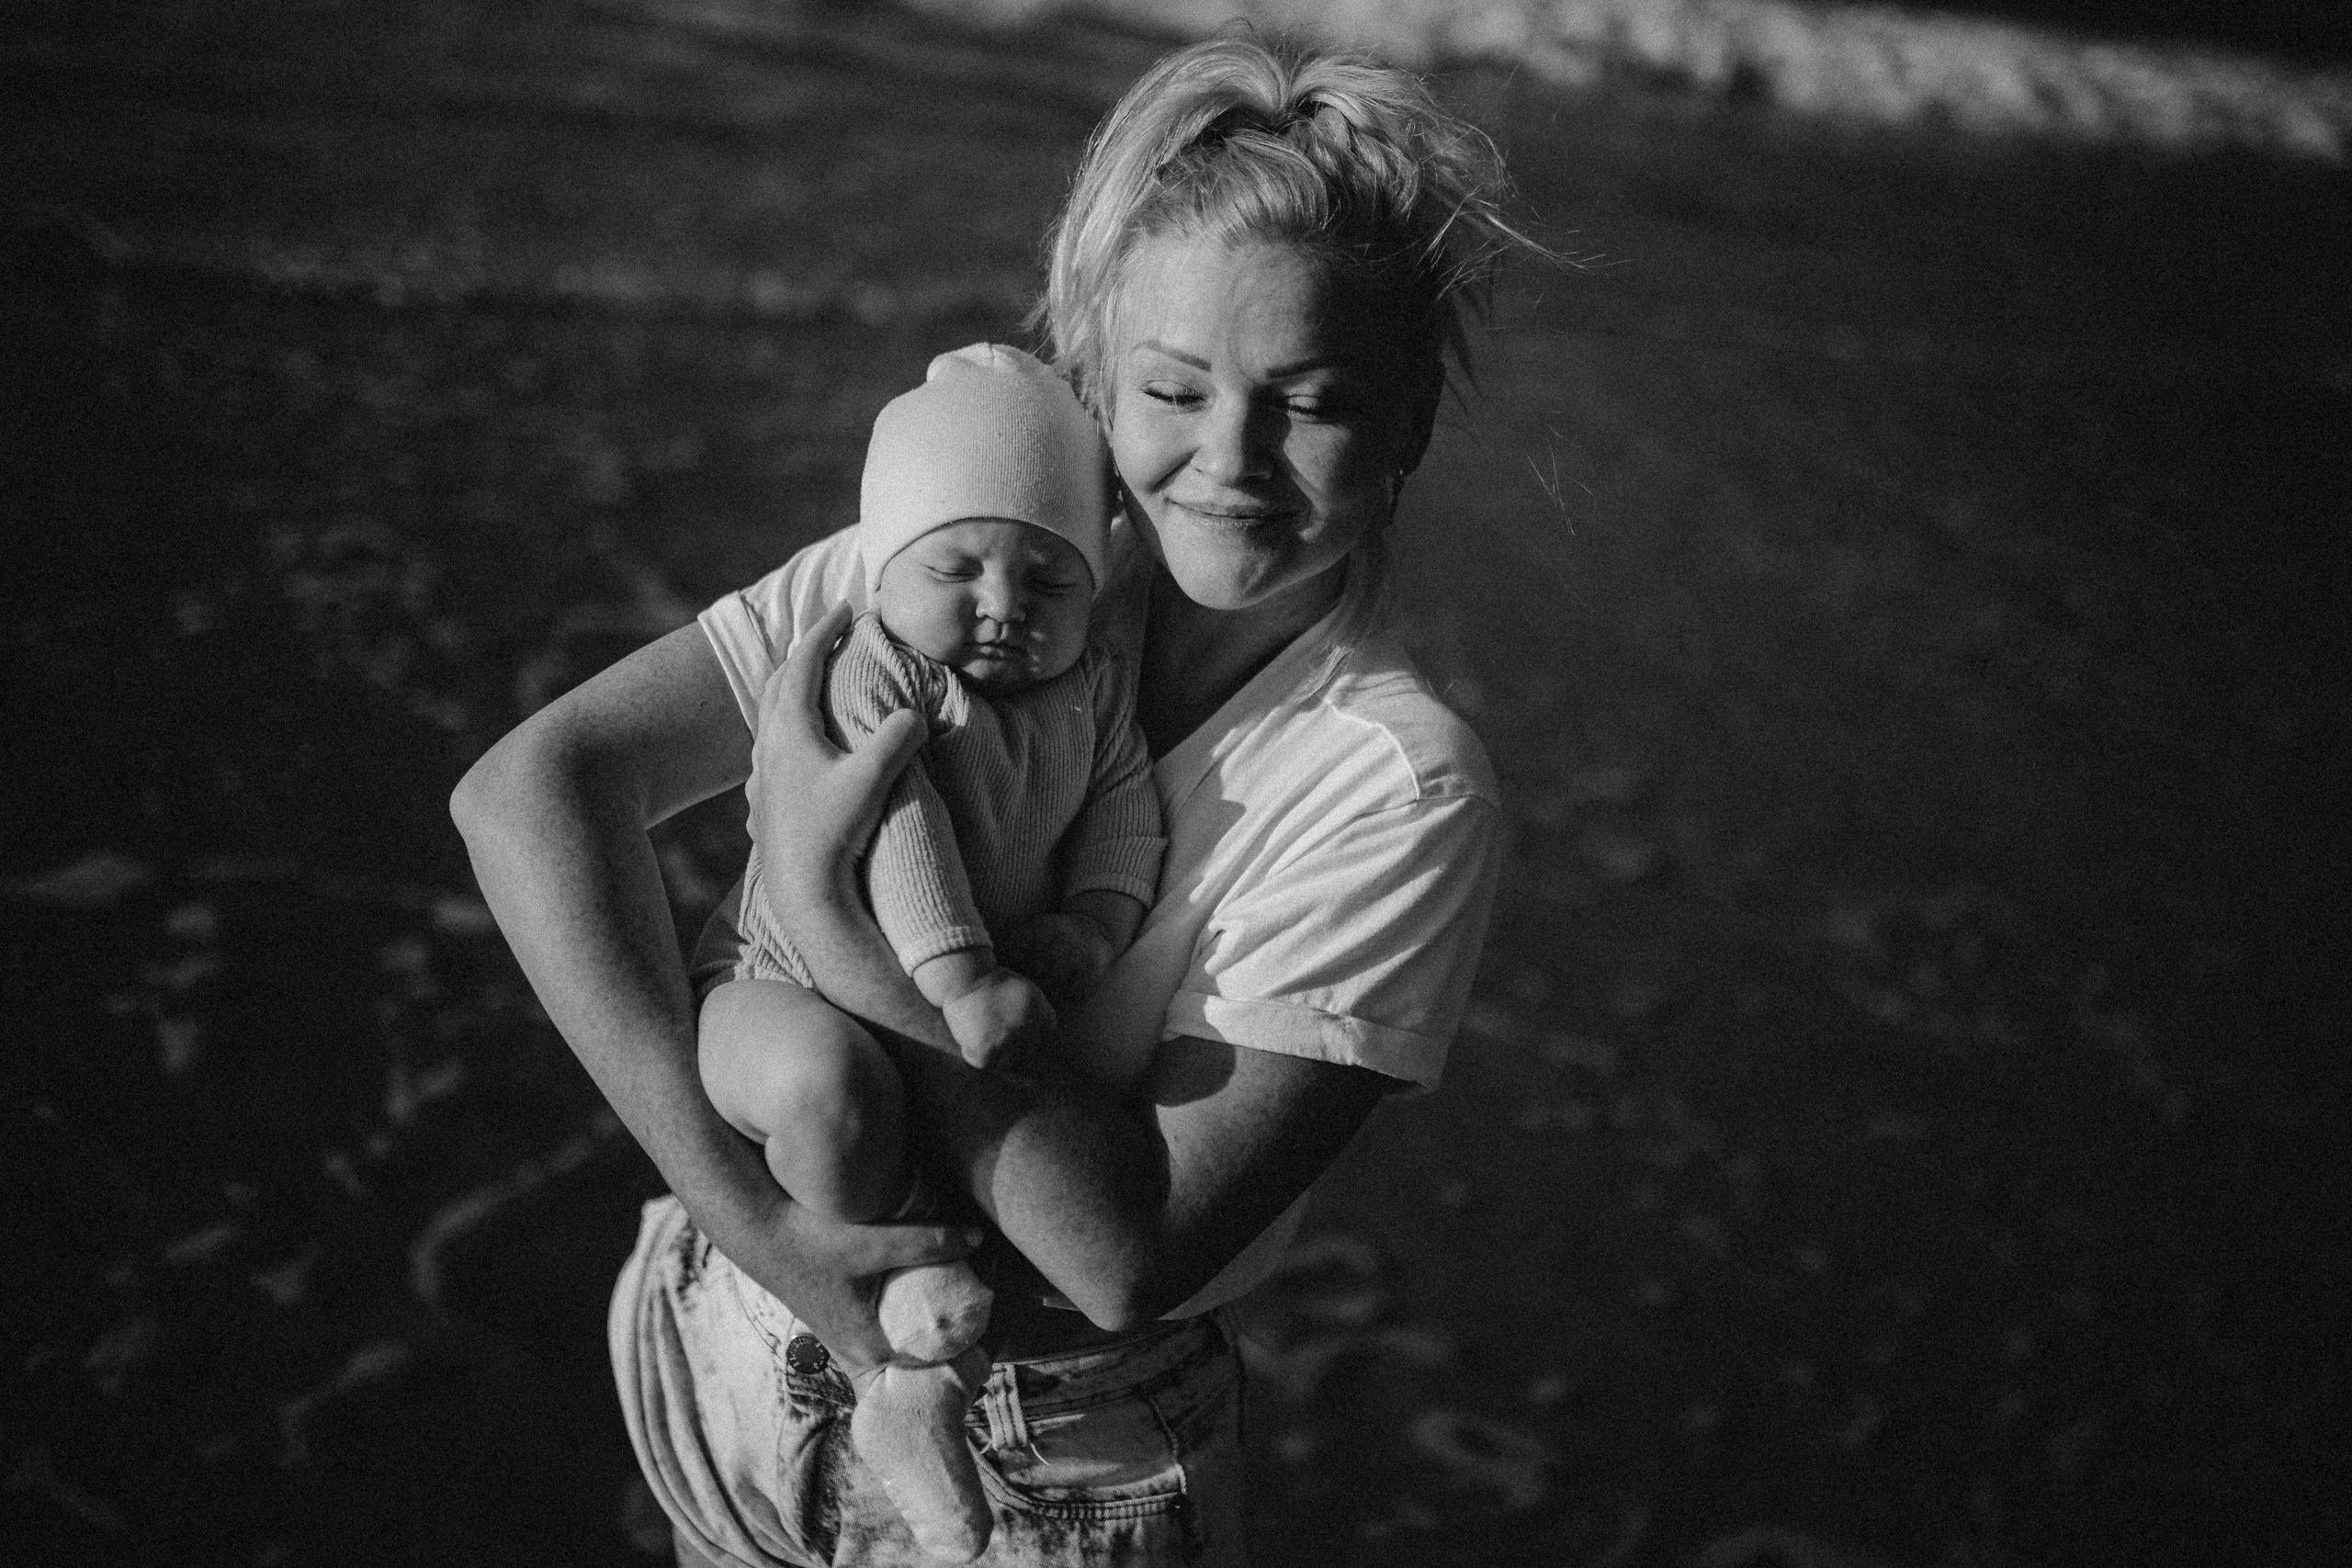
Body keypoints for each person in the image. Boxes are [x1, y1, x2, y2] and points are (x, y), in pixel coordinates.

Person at [451, 33, 1543, 1567]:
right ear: (1096, 382)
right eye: (1174, 388)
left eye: (1314, 402)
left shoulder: (1395, 786)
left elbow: (1126, 1250)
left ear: (1411, 423)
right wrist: (758, 1228)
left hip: (1051, 1452)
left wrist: (836, 916)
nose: (1230, 459)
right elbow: (533, 792)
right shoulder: (965, 562)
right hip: (733, 1328)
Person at [694, 341, 1163, 1559]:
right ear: (885, 566)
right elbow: (900, 838)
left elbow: (1124, 809)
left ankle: (922, 1386)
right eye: (956, 567)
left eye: (1050, 578)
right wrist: (959, 975)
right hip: (782, 982)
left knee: (953, 1155)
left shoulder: (1096, 691)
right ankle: (881, 1343)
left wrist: (1094, 926)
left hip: (947, 1009)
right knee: (826, 1086)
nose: (1003, 603)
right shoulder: (879, 672)